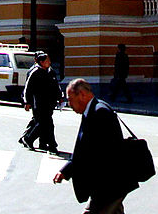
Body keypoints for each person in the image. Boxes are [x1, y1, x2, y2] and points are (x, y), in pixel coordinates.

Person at [52, 79, 138, 214]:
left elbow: (99, 153)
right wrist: (66, 170)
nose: (69, 104)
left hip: (108, 185)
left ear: (82, 95)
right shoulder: (93, 110)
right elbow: (84, 148)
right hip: (108, 185)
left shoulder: (100, 112)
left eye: (70, 99)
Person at [22, 51, 62, 152]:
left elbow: (56, 85)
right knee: (44, 123)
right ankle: (48, 144)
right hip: (39, 103)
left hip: (49, 102)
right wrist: (27, 102)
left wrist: (60, 96)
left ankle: (38, 141)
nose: (49, 62)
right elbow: (28, 88)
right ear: (41, 62)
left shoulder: (50, 71)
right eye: (47, 60)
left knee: (46, 124)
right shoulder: (35, 72)